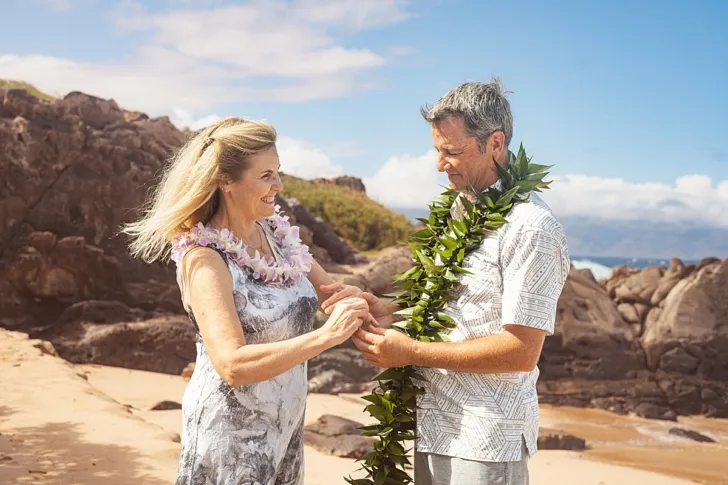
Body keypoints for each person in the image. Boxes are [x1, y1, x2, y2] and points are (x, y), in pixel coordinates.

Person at [341, 79, 571, 484]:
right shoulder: (460, 211)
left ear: (495, 144)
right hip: (431, 426)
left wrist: (411, 351)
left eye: (452, 151)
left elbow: (521, 350)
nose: (440, 164)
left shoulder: (532, 227)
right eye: (437, 151)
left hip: (486, 438)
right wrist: (389, 310)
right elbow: (457, 306)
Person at [121, 116, 373, 485]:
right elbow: (232, 365)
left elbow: (330, 294)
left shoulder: (278, 236)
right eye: (266, 175)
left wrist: (364, 305)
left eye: (278, 172)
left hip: (284, 426)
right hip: (230, 437)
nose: (278, 185)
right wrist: (327, 337)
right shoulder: (205, 258)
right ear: (226, 181)